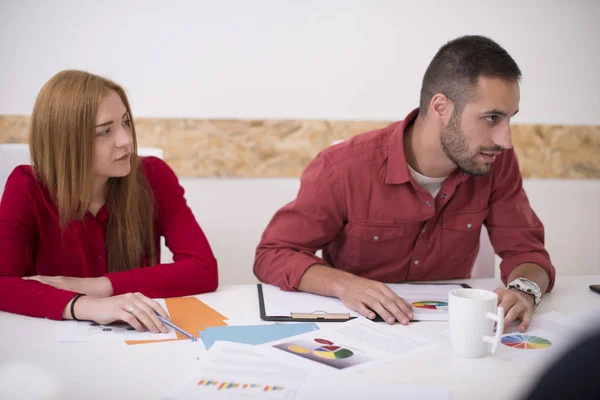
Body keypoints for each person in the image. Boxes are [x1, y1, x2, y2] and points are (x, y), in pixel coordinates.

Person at [254, 35, 555, 330]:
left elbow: (527, 251)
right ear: (441, 108)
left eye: (509, 119)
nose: (505, 140)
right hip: (360, 332)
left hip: (447, 333)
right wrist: (343, 284)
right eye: (491, 118)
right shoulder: (342, 168)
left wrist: (524, 290)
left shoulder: (495, 162)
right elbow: (273, 253)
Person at [0, 70, 218, 333]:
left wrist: (94, 287)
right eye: (104, 131)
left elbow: (203, 269)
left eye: (125, 122)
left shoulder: (154, 177)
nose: (126, 140)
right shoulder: (26, 185)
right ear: (65, 142)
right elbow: (3, 283)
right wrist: (86, 305)